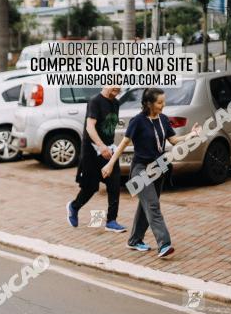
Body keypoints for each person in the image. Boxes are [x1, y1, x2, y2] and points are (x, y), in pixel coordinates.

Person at [102, 88, 200, 258]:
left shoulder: (163, 119)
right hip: (141, 168)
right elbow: (124, 144)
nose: (163, 105)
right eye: (160, 102)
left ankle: (134, 240)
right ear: (149, 103)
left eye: (164, 102)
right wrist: (110, 164)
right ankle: (164, 244)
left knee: (146, 206)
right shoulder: (137, 121)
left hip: (159, 167)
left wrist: (191, 135)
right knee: (153, 205)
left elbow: (173, 140)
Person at [66, 87, 125, 232]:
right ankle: (74, 206)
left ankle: (111, 221)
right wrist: (101, 146)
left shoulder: (116, 103)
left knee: (115, 183)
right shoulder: (95, 102)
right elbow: (90, 127)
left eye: (119, 88)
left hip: (109, 150)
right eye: (114, 87)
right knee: (90, 187)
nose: (116, 91)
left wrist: (109, 146)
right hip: (92, 150)